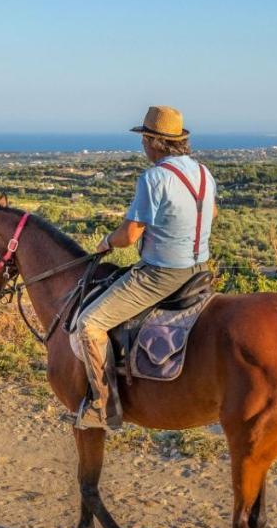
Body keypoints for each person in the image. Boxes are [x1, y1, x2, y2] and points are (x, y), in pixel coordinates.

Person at [73, 106, 218, 430]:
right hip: (199, 270)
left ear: (155, 141)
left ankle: (103, 407)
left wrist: (107, 242)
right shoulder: (204, 173)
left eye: (144, 140)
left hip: (161, 275)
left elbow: (129, 235)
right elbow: (213, 213)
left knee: (89, 324)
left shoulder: (154, 178)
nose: (143, 146)